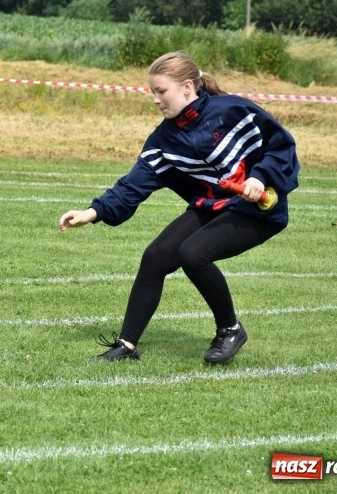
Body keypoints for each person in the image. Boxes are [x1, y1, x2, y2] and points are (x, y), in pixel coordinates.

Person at [59, 51, 300, 363]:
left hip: (258, 210)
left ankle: (230, 329)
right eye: (153, 93)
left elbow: (281, 145)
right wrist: (92, 213)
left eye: (162, 91)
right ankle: (127, 345)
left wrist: (260, 176)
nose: (157, 100)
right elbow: (133, 185)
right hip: (214, 206)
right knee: (156, 256)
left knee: (193, 253)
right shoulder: (163, 139)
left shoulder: (233, 110)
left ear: (188, 87)